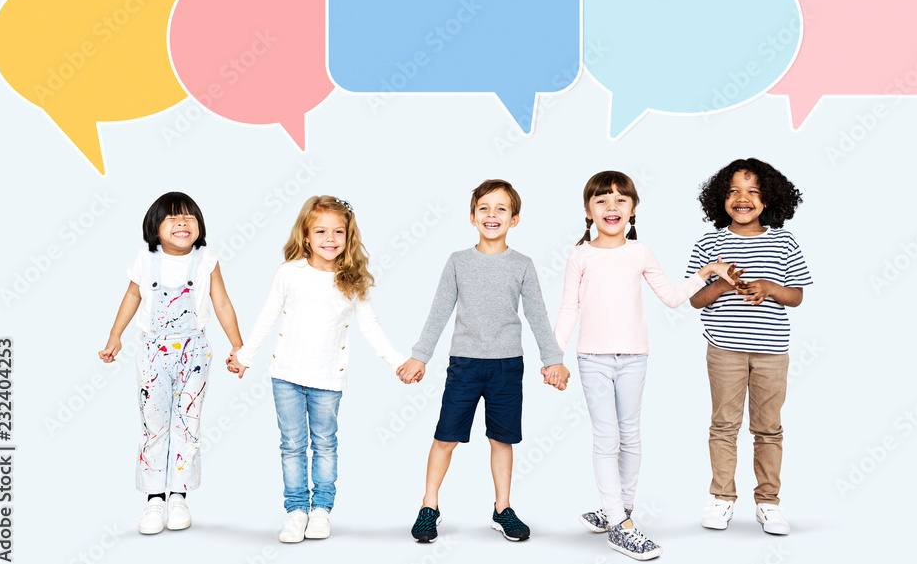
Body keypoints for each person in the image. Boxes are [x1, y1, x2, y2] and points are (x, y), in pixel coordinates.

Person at [553, 171, 735, 561]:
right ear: (588, 211)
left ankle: (621, 512)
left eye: (621, 199)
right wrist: (555, 355)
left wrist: (704, 274)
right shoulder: (580, 255)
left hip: (635, 357)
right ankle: (620, 525)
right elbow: (570, 307)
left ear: (633, 209)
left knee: (631, 435)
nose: (612, 206)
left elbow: (671, 297)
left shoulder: (641, 251)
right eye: (602, 200)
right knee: (607, 438)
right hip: (592, 359)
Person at [227, 196, 409, 543]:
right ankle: (296, 511)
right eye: (321, 231)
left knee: (324, 444)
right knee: (292, 444)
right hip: (286, 375)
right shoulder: (289, 273)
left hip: (327, 378)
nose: (330, 238)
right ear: (306, 236)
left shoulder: (351, 279)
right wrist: (245, 356)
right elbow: (267, 316)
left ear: (348, 236)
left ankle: (321, 509)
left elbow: (370, 325)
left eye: (338, 231)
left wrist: (397, 361)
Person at [396, 179, 568, 543]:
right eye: (485, 209)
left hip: (507, 365)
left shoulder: (522, 264)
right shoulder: (458, 261)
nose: (493, 215)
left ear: (515, 219)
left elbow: (537, 314)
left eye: (501, 209)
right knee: (446, 436)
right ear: (472, 217)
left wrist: (553, 360)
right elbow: (439, 311)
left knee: (501, 440)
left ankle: (502, 508)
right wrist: (419, 356)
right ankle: (429, 506)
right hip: (465, 364)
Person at [99, 192, 243, 535]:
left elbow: (221, 303)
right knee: (154, 423)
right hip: (152, 352)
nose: (182, 223)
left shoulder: (207, 259)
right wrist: (114, 336)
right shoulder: (146, 259)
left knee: (187, 423)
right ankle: (154, 498)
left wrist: (238, 346)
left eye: (189, 217)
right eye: (173, 218)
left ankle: (179, 495)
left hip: (194, 352)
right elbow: (132, 296)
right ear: (155, 227)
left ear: (199, 226)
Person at [686, 158, 812, 535]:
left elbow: (796, 296)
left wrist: (769, 288)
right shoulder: (709, 243)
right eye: (734, 192)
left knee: (768, 428)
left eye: (753, 191)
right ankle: (722, 497)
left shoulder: (783, 241)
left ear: (769, 198)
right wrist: (722, 283)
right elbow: (694, 300)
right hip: (724, 349)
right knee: (724, 424)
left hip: (772, 351)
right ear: (720, 199)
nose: (743, 199)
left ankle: (769, 502)